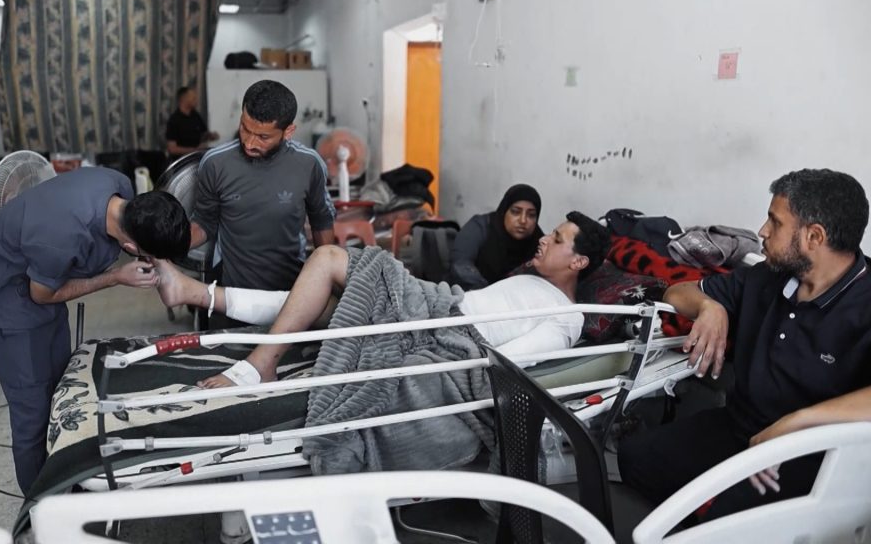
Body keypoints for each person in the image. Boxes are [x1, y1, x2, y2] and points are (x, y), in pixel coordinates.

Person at [619, 168, 871, 521]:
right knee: (635, 458)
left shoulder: (863, 303)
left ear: (814, 236)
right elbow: (677, 292)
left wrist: (798, 421)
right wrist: (709, 307)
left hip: (809, 454)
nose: (762, 231)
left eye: (775, 222)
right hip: (739, 427)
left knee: (724, 521)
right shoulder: (768, 277)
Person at [157, 211, 612, 388]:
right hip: (436, 303)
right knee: (320, 297)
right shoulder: (531, 279)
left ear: (578, 262)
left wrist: (434, 349)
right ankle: (200, 296)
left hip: (445, 327)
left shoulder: (566, 317)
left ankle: (253, 358)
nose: (543, 239)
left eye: (556, 239)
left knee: (328, 261)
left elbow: (505, 362)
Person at [0, 167, 191, 495]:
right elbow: (42, 294)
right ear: (130, 246)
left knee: (62, 387)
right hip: (5, 303)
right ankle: (41, 504)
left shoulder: (117, 185)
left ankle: (66, 475)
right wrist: (115, 278)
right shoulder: (60, 237)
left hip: (40, 282)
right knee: (32, 409)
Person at [188, 79, 336, 292]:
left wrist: (328, 281)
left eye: (263, 137)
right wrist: (168, 245)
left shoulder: (309, 164)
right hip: (232, 292)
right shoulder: (215, 163)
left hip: (292, 291)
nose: (249, 143)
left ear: (288, 131)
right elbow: (204, 222)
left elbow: (322, 221)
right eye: (244, 128)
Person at [450, 184, 544, 290]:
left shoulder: (540, 242)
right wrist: (490, 292)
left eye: (531, 215)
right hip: (467, 293)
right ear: (504, 211)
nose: (523, 220)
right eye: (516, 212)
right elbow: (460, 265)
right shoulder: (481, 227)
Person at [165, 86, 218, 158]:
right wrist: (195, 150)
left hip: (196, 158)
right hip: (182, 160)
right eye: (193, 98)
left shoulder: (195, 115)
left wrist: (210, 135)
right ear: (184, 99)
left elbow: (203, 134)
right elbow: (172, 149)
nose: (196, 100)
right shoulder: (174, 120)